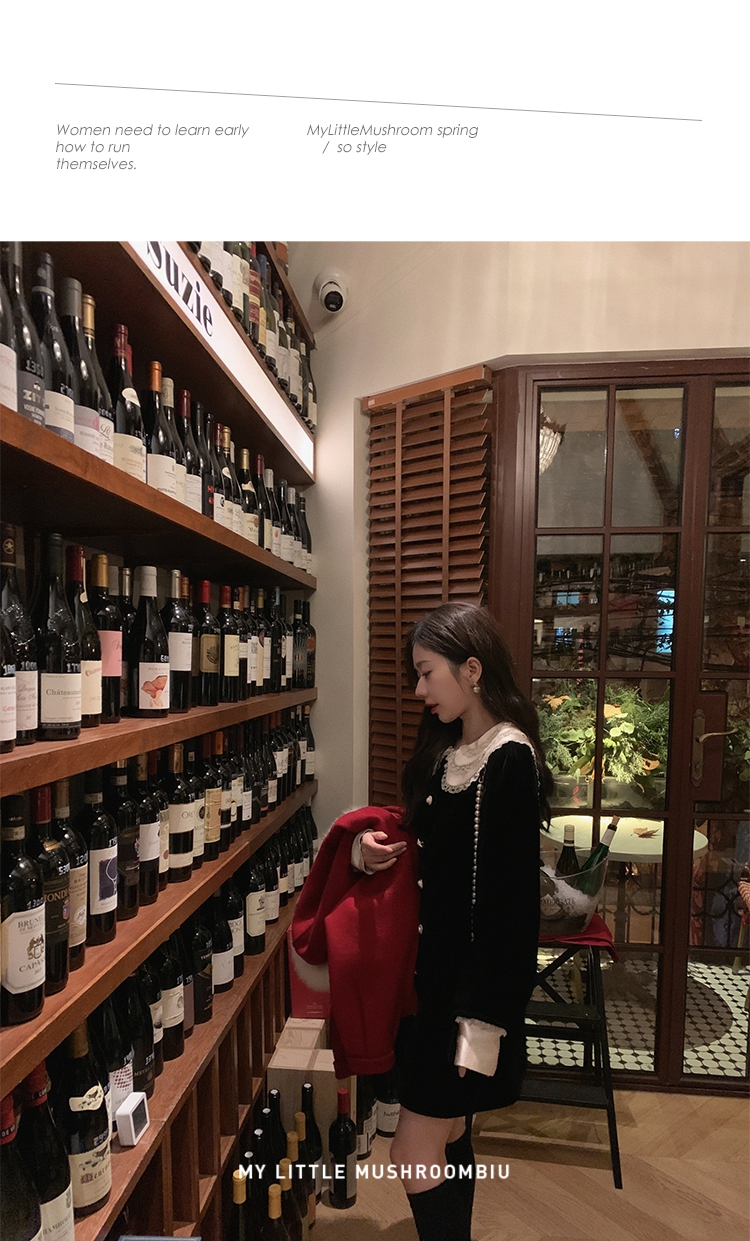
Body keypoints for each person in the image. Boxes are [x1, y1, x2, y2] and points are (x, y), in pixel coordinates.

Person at [352, 602, 554, 1241]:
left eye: (426, 672)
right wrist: (364, 852)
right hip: (430, 987)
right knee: (450, 1134)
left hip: (465, 1000)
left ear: (472, 668)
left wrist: (485, 1021)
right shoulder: (449, 748)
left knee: (410, 1153)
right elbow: (421, 847)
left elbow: (512, 911)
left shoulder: (509, 760)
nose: (418, 690)